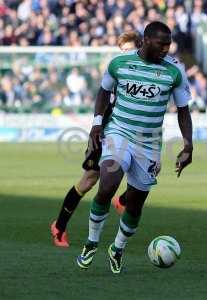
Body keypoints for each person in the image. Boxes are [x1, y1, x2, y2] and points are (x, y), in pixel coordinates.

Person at [76, 21, 193, 274]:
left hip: (149, 144)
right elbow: (103, 92)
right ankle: (91, 242)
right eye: (161, 44)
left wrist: (188, 145)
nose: (166, 48)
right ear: (146, 41)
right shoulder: (120, 63)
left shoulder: (174, 71)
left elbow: (183, 111)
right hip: (118, 132)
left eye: (168, 44)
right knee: (107, 183)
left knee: (135, 204)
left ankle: (117, 248)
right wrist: (97, 125)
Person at [50, 31, 142, 247]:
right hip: (107, 131)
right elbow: (102, 97)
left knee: (146, 172)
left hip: (135, 133)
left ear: (141, 48)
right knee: (89, 180)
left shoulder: (147, 72)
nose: (125, 55)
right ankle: (59, 226)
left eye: (129, 50)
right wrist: (97, 125)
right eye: (123, 51)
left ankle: (121, 200)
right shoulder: (117, 69)